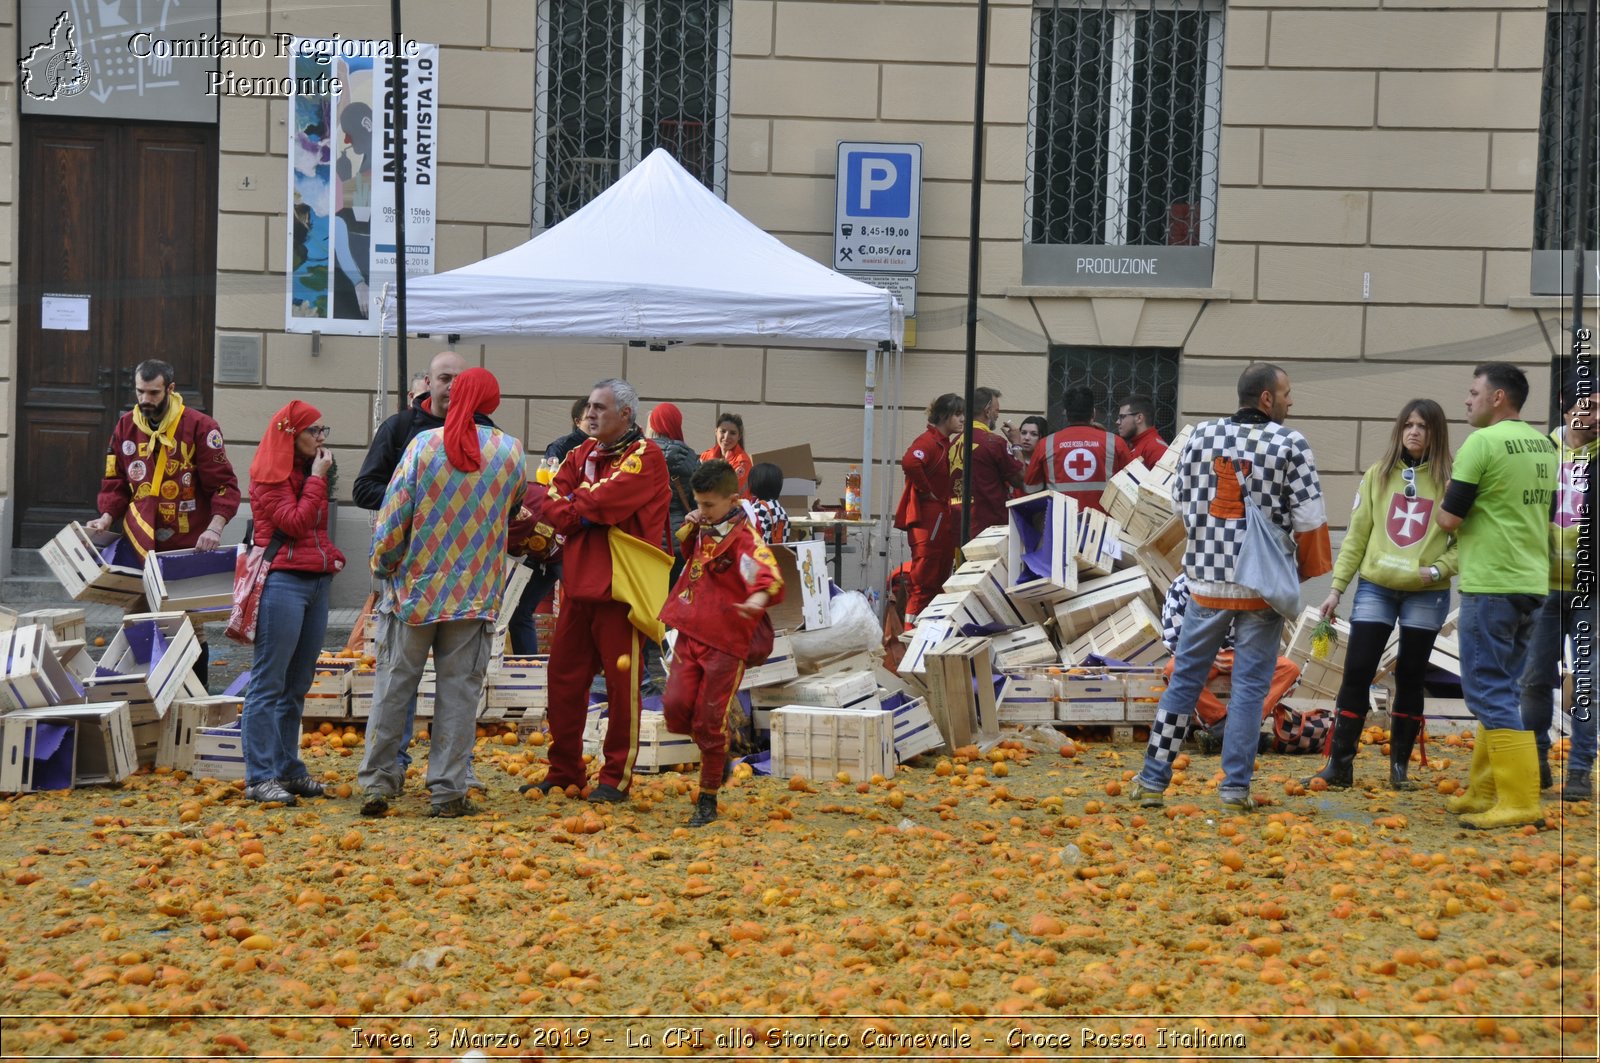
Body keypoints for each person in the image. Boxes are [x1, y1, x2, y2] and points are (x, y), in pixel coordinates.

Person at [1127, 363, 1331, 812]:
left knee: (1184, 681)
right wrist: (1296, 574)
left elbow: (1179, 501)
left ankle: (1151, 782)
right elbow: (1311, 521)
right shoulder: (1290, 444)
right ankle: (1235, 789)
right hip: (1260, 589)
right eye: (1287, 393)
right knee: (1250, 690)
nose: (1290, 401)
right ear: (1266, 399)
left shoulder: (1198, 437)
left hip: (1205, 582)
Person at [358, 368, 525, 818]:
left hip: (415, 592)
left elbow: (394, 518)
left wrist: (383, 566)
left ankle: (378, 782)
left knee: (393, 689)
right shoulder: (511, 454)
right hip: (475, 594)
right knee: (459, 694)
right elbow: (511, 512)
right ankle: (448, 791)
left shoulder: (422, 446)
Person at [352, 350, 494, 783]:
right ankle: (387, 770)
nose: (451, 387)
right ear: (428, 383)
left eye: (458, 379)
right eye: (443, 378)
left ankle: (451, 775)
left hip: (464, 581)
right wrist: (414, 503)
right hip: (412, 577)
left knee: (454, 687)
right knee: (398, 682)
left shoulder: (488, 434)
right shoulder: (401, 430)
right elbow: (364, 488)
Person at [1308, 400, 1458, 789]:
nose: (1413, 432)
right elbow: (1357, 537)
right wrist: (1336, 590)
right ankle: (1339, 767)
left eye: (1422, 426)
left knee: (1410, 676)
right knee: (1357, 671)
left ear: (1435, 432)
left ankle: (1400, 771)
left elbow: (1465, 542)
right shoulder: (1378, 474)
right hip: (1376, 587)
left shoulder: (1451, 482)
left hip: (1426, 592)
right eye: (1408, 424)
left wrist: (1438, 569)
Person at [536, 378, 672, 804]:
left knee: (621, 685)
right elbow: (549, 502)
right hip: (577, 586)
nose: (589, 414)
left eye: (599, 408)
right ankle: (564, 770)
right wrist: (580, 509)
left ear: (626, 416)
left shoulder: (646, 456)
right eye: (589, 407)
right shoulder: (580, 453)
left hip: (621, 590)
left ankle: (616, 777)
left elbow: (600, 503)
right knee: (562, 679)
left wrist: (576, 507)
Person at [1434, 363, 1558, 829]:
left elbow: (1448, 519)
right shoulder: (1545, 445)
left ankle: (1521, 800)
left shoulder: (1481, 443)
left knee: (1487, 690)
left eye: (1473, 392)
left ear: (1498, 397)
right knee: (1503, 689)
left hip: (1491, 582)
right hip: (1531, 581)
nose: (1467, 400)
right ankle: (1484, 791)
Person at [89, 358, 241, 689]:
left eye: (153, 393)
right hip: (139, 546)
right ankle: (143, 700)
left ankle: (195, 699)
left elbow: (224, 486)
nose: (145, 400)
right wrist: (105, 516)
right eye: (141, 392)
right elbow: (114, 480)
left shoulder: (201, 427)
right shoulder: (125, 427)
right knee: (138, 624)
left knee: (188, 629)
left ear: (170, 389)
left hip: (186, 547)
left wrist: (215, 527)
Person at [660, 460, 785, 827]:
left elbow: (770, 577)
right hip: (691, 628)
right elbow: (688, 556)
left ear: (734, 499)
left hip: (727, 642)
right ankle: (719, 751)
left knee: (710, 719)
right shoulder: (702, 524)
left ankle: (708, 796)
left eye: (709, 505)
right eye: (699, 503)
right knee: (675, 708)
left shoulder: (746, 538)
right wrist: (691, 523)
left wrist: (756, 600)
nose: (702, 511)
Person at [238, 402, 346, 805]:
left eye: (322, 430)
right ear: (291, 433)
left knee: (297, 685)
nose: (321, 439)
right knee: (268, 683)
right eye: (314, 431)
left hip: (315, 582)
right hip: (283, 583)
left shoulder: (305, 471)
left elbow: (314, 529)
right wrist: (318, 479)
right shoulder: (268, 476)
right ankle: (259, 777)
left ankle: (287, 770)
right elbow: (296, 523)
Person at [1523, 377, 1598, 801]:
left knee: (1588, 683)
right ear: (1566, 408)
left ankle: (1582, 770)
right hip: (1542, 586)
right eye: (1588, 407)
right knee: (1534, 679)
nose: (1596, 417)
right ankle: (1537, 759)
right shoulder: (1539, 453)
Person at [506, 397, 592, 656]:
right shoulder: (562, 448)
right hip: (549, 536)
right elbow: (551, 487)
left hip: (572, 538)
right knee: (520, 609)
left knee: (586, 607)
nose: (597, 420)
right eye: (591, 415)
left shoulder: (607, 450)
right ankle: (528, 668)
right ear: (578, 421)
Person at [896, 393, 963, 620]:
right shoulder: (928, 442)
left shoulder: (942, 443)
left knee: (937, 582)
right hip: (929, 521)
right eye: (957, 414)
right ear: (944, 416)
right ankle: (910, 637)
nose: (962, 419)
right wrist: (927, 490)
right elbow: (910, 462)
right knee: (924, 582)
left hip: (938, 520)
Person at [1025, 384, 1133, 512]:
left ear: (1066, 413)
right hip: (1103, 526)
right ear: (1093, 412)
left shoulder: (1046, 444)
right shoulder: (1115, 443)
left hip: (1060, 524)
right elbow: (1132, 487)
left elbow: (1031, 489)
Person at [950, 386, 1024, 539]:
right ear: (987, 410)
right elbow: (1021, 479)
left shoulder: (955, 442)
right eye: (997, 411)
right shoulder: (994, 442)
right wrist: (1016, 444)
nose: (997, 416)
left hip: (959, 528)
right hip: (988, 530)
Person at [646, 402, 702, 566]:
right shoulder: (690, 457)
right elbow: (697, 501)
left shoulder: (640, 454)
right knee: (676, 589)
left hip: (647, 537)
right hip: (679, 538)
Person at [700, 412, 753, 495]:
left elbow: (727, 493)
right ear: (716, 432)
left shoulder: (742, 462)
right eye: (723, 431)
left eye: (732, 433)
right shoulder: (705, 456)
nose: (726, 437)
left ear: (739, 437)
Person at [743, 463, 790, 544]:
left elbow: (754, 536)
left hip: (763, 553)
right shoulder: (779, 507)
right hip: (779, 552)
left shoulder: (760, 507)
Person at [1117, 394, 1169, 468]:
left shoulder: (1156, 448)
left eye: (1122, 417)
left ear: (1139, 418)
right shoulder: (1135, 444)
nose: (1117, 422)